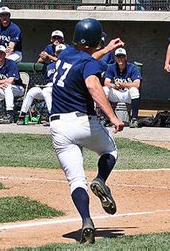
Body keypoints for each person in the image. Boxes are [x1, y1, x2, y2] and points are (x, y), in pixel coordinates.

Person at [50, 18, 124, 244]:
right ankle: (101, 180)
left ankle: (86, 221)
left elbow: (86, 58)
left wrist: (107, 49)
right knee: (110, 150)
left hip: (58, 126)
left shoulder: (65, 55)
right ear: (95, 40)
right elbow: (92, 84)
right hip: (83, 122)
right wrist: (113, 117)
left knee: (76, 181)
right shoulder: (90, 64)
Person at [17, 44, 67, 125]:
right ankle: (22, 115)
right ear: (55, 53)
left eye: (62, 52)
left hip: (60, 88)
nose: (60, 54)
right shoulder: (49, 65)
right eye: (58, 52)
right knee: (32, 91)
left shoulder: (67, 64)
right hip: (48, 86)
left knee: (46, 91)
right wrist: (44, 56)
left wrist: (49, 56)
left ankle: (52, 117)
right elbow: (39, 61)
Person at [103, 48, 142, 128]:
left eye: (122, 56)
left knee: (134, 90)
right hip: (116, 93)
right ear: (115, 58)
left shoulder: (132, 67)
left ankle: (134, 119)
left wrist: (123, 84)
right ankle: (105, 118)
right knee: (104, 89)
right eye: (118, 56)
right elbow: (106, 82)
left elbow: (137, 84)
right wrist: (113, 85)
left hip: (127, 94)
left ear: (126, 57)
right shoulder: (111, 67)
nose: (120, 58)